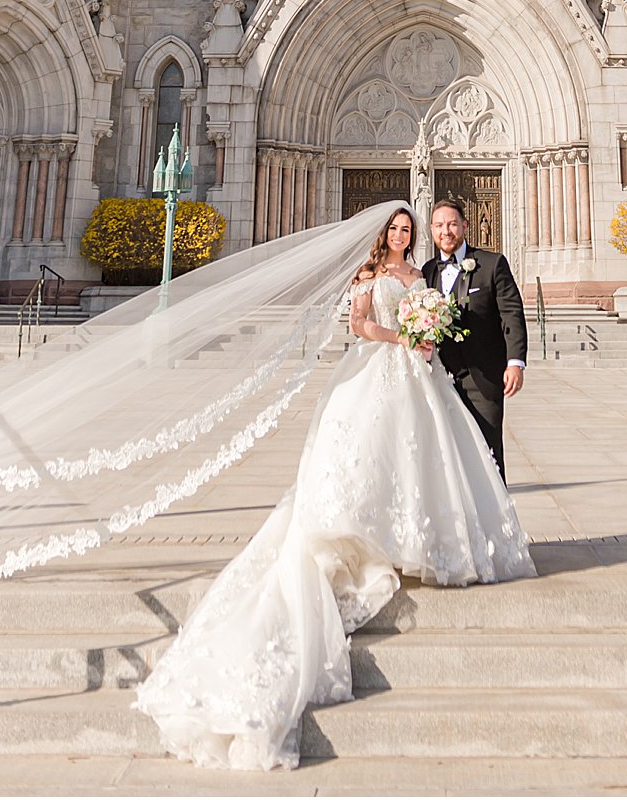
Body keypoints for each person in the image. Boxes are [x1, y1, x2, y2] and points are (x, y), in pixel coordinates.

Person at [133, 204, 534, 768]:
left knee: (428, 460)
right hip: (383, 368)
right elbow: (360, 325)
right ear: (382, 235)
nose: (406, 234)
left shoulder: (425, 276)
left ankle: (420, 540)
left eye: (410, 229)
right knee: (372, 456)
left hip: (430, 376)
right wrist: (403, 339)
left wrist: (444, 340)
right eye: (398, 229)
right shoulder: (369, 277)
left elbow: (474, 318)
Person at [420, 195, 527, 479]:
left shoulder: (492, 264)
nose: (446, 231)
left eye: (452, 224)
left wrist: (515, 362)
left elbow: (511, 314)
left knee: (488, 452)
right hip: (439, 378)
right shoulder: (427, 271)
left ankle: (495, 520)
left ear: (465, 226)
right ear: (431, 230)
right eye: (440, 225)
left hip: (483, 378)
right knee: (445, 458)